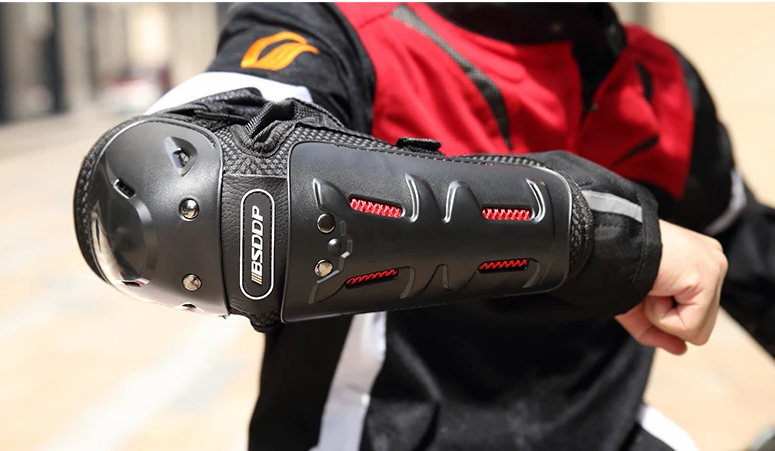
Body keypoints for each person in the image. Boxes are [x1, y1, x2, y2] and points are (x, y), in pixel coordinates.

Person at [72, 3, 775, 451]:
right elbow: (175, 198)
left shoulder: (661, 81)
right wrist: (598, 234)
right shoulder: (344, 28)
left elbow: (747, 250)